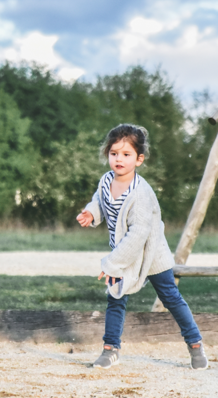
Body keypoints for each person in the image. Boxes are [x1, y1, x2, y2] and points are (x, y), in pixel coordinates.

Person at [76, 124, 207, 370]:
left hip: (151, 254)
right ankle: (110, 349)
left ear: (139, 159)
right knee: (115, 298)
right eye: (114, 153)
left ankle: (195, 344)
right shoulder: (106, 181)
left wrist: (112, 264)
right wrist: (91, 214)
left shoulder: (141, 194)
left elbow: (138, 235)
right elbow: (100, 200)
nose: (119, 159)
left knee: (171, 297)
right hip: (124, 252)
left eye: (126, 155)